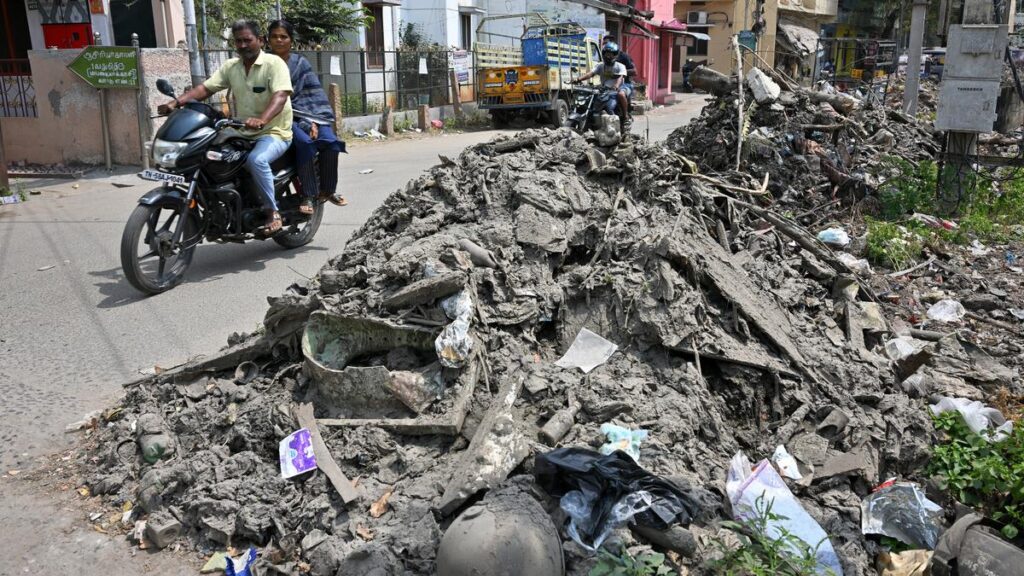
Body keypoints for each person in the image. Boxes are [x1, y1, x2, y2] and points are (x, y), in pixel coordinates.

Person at [158, 20, 293, 235]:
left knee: (256, 160)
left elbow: (280, 96)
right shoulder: (232, 67)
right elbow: (205, 88)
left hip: (273, 132)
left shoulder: (274, 64)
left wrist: (263, 119)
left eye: (247, 40)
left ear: (260, 40)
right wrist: (176, 102)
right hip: (241, 131)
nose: (242, 45)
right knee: (209, 155)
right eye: (238, 41)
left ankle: (272, 211)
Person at [267, 19, 348, 213]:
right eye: (274, 37)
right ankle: (309, 195)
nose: (279, 40)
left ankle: (328, 190)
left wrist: (312, 120)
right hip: (282, 114)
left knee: (330, 140)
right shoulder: (265, 63)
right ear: (267, 40)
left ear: (291, 41)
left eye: (283, 37)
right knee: (304, 143)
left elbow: (312, 93)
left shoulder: (299, 62)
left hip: (310, 112)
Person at [576, 43, 627, 117]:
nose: (608, 56)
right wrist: (578, 79)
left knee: (621, 95)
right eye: (606, 54)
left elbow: (620, 77)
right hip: (604, 89)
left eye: (611, 54)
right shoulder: (600, 65)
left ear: (615, 55)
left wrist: (616, 86)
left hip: (618, 88)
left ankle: (625, 116)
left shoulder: (620, 66)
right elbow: (590, 74)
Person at [602, 36, 636, 124]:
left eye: (606, 43)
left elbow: (634, 71)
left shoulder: (623, 56)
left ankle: (625, 116)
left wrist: (620, 72)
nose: (604, 45)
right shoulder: (604, 56)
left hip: (624, 84)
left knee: (621, 94)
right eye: (604, 43)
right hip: (607, 85)